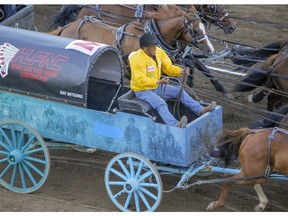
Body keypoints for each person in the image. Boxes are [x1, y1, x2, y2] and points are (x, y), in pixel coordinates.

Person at [129, 33, 217, 128]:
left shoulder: (159, 52)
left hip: (155, 86)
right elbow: (140, 80)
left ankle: (200, 110)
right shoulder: (137, 59)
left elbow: (168, 67)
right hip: (142, 90)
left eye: (155, 46)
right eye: (152, 47)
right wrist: (159, 82)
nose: (155, 49)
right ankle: (175, 125)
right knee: (160, 103)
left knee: (180, 91)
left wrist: (180, 71)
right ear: (145, 49)